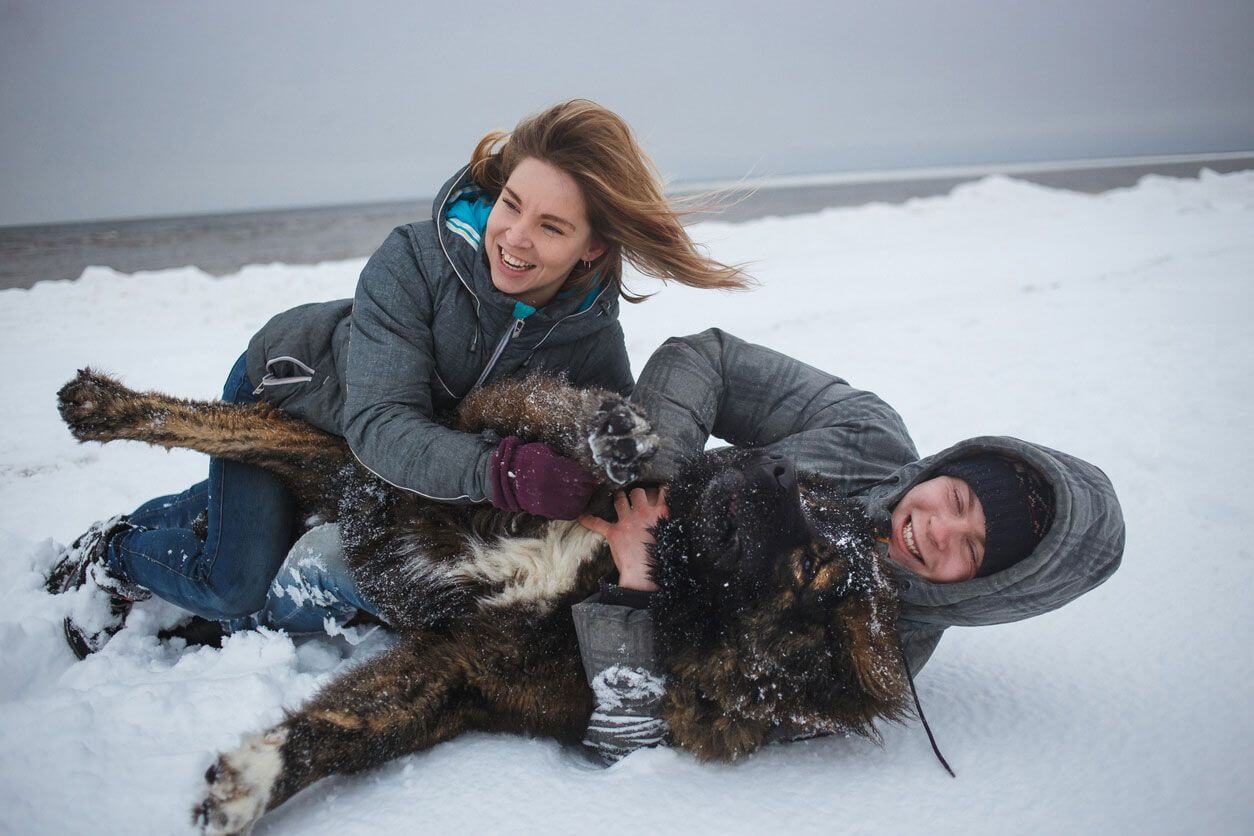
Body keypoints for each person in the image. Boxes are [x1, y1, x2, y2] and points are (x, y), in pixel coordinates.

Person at [47, 101, 749, 658]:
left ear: (592, 247)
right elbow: (382, 426)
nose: (514, 237)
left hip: (384, 459)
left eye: (551, 226)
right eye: (510, 203)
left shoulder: (591, 335)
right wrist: (504, 472)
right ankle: (112, 554)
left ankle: (216, 511)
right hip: (296, 398)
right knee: (233, 581)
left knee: (263, 513)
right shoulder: (414, 261)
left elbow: (607, 454)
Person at [572, 328, 1125, 763]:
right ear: (949, 466)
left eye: (972, 550)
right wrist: (654, 486)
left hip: (554, 642)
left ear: (988, 593)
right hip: (573, 511)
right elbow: (706, 358)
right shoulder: (865, 433)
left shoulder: (874, 662)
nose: (939, 530)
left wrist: (639, 585)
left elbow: (646, 733)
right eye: (957, 499)